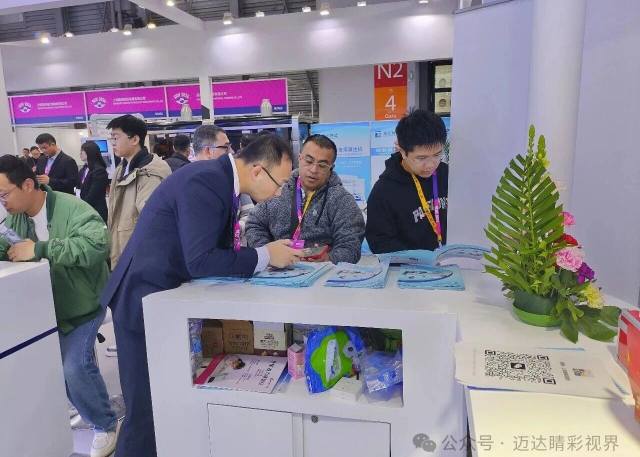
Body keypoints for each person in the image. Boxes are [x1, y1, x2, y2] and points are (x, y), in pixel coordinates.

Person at [100, 134, 302, 457]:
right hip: (142, 299)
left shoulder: (221, 181)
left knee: (167, 401)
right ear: (258, 171)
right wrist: (265, 255)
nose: (280, 193)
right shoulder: (206, 181)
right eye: (280, 184)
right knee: (146, 408)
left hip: (164, 298)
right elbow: (200, 259)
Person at [0, 156, 119, 457]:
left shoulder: (73, 208)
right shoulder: (15, 219)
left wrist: (40, 249)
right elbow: (9, 249)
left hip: (84, 306)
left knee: (74, 367)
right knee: (43, 365)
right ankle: (75, 407)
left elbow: (96, 247)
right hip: (44, 310)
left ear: (28, 185)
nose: (2, 202)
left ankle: (105, 424)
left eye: (4, 194)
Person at [246, 134, 365, 264]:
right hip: (278, 269)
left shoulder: (342, 200)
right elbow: (254, 223)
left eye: (322, 165)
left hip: (322, 272)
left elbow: (351, 246)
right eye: (308, 161)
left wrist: (329, 259)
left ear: (331, 167)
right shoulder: (278, 188)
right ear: (299, 158)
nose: (314, 170)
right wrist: (268, 254)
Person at [365, 109, 448, 253]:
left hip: (451, 260)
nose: (430, 165)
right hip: (409, 265)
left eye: (437, 155)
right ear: (402, 151)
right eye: (421, 158)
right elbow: (379, 242)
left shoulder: (448, 174)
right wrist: (415, 259)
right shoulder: (383, 191)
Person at [106, 114, 171, 269]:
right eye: (111, 138)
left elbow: (152, 223)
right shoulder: (122, 168)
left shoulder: (150, 174)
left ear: (135, 139)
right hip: (123, 251)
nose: (112, 143)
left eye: (116, 138)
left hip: (140, 258)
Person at [78, 141, 109, 222]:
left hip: (96, 211)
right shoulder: (83, 169)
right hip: (86, 209)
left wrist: (81, 206)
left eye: (82, 151)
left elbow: (93, 195)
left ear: (89, 152)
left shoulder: (99, 171)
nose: (80, 153)